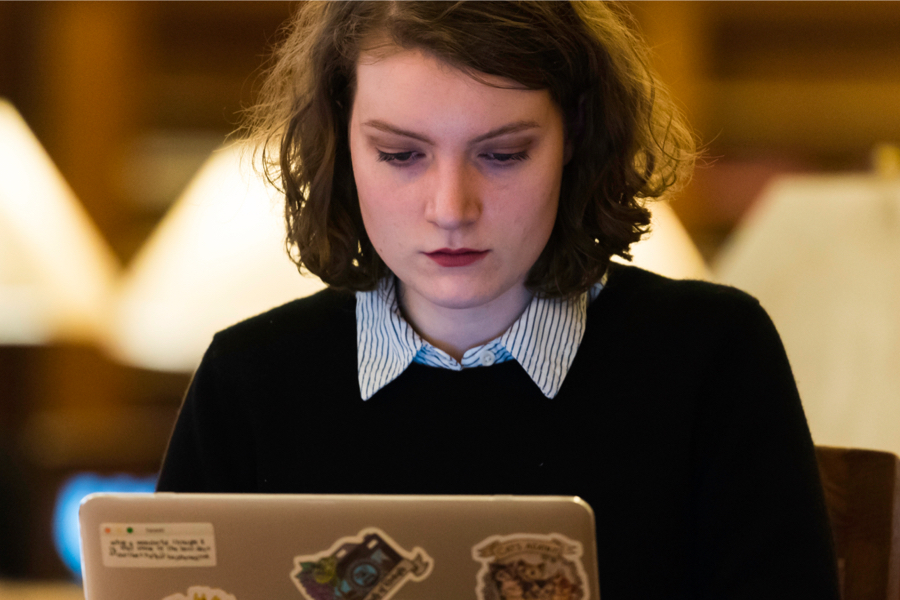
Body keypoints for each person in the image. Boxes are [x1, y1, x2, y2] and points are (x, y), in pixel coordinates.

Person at [157, 2, 840, 598]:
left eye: (504, 154)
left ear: (576, 139)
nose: (451, 208)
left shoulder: (711, 355)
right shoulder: (250, 377)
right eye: (400, 155)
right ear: (340, 144)